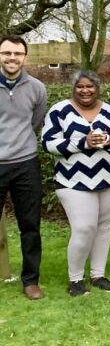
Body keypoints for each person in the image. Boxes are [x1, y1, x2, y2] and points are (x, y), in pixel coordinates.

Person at [41, 70, 110, 297]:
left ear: (98, 87)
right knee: (84, 228)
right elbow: (47, 143)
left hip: (109, 178)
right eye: (80, 86)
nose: (85, 90)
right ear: (73, 88)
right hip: (71, 180)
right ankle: (75, 279)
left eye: (90, 86)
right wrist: (82, 142)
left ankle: (98, 275)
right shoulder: (59, 111)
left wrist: (108, 141)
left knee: (103, 228)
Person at [0, 36, 47, 299]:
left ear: (25, 57)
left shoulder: (37, 88)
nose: (12, 58)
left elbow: (35, 122)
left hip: (25, 164)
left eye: (17, 53)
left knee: (30, 225)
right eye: (6, 53)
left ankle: (31, 281)